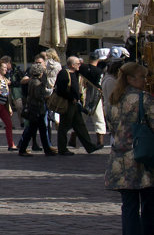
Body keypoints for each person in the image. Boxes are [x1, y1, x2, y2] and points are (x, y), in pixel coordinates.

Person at [105, 61, 154, 235]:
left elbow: (110, 127)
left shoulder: (113, 99)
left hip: (119, 158)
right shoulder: (143, 98)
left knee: (129, 205)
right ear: (130, 78)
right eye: (142, 77)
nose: (145, 81)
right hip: (142, 158)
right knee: (149, 202)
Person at [54, 56, 102, 155]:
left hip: (74, 104)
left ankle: (89, 146)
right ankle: (62, 149)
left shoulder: (75, 73)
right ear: (72, 65)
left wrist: (79, 97)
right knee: (64, 126)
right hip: (68, 103)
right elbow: (61, 90)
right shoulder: (64, 73)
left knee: (80, 125)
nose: (79, 65)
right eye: (77, 63)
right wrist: (72, 98)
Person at [17, 55, 54, 156]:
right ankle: (23, 149)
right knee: (33, 130)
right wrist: (47, 92)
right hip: (36, 109)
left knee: (39, 130)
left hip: (35, 109)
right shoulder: (37, 83)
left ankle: (46, 149)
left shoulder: (32, 81)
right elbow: (39, 95)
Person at [81, 49, 108, 148]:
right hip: (95, 97)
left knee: (81, 119)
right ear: (98, 60)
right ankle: (100, 142)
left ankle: (73, 138)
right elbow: (99, 85)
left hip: (83, 96)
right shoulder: (99, 71)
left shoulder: (82, 68)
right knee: (99, 119)